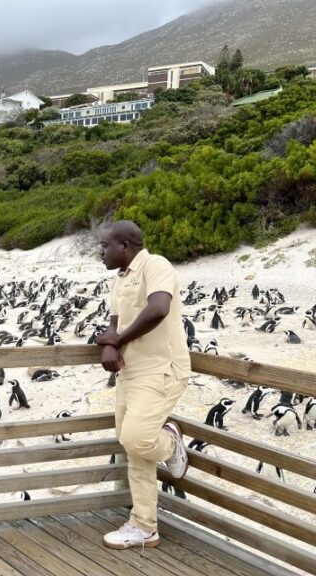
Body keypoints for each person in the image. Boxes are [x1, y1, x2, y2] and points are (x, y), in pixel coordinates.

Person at [95, 220, 190, 550]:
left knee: (139, 439)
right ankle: (144, 526)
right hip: (130, 371)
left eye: (104, 246)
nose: (100, 252)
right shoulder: (118, 281)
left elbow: (159, 308)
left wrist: (117, 338)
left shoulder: (155, 264)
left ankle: (171, 442)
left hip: (161, 369)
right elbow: (113, 321)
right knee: (133, 447)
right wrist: (111, 344)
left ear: (124, 246)